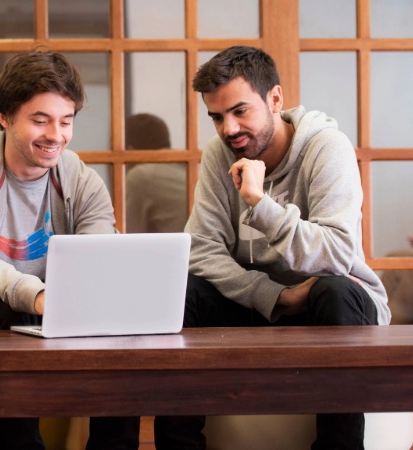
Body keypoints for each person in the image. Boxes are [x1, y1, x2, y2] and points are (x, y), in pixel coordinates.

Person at [154, 46, 391, 450]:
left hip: (332, 307)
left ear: (275, 99)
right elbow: (200, 249)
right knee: (183, 289)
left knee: (335, 288)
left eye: (240, 111)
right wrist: (277, 295)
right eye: (216, 116)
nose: (229, 129)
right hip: (259, 305)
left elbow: (336, 254)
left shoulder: (326, 147)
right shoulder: (220, 154)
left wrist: (259, 204)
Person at [0, 50, 139, 450]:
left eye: (66, 121)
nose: (56, 135)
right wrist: (42, 296)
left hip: (62, 310)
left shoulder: (82, 180)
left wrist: (86, 300)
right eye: (40, 120)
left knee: (125, 339)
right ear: (5, 117)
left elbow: (100, 260)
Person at [124, 113, 188, 233]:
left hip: (178, 251)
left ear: (130, 150)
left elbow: (128, 237)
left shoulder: (142, 176)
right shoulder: (187, 167)